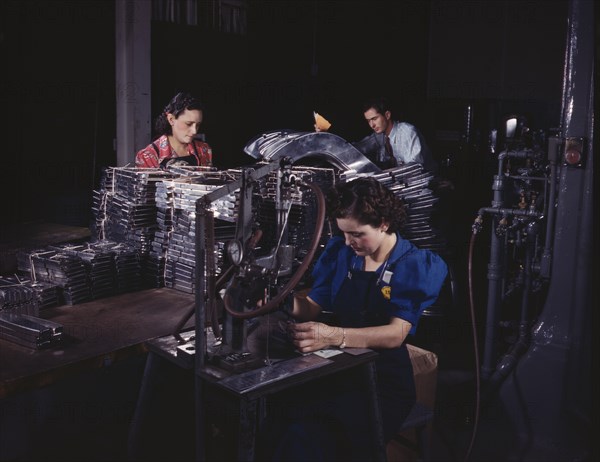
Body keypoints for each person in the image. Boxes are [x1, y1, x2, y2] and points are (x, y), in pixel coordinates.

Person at [257, 177, 448, 461]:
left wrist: (333, 335)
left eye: (357, 234)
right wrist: (279, 301)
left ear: (383, 223)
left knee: (319, 439)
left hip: (384, 382)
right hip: (339, 372)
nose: (349, 241)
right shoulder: (342, 253)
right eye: (344, 233)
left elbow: (396, 334)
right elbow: (311, 306)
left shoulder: (413, 264)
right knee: (279, 417)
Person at [316, 97, 438, 173]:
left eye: (374, 119)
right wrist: (326, 137)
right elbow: (355, 149)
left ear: (387, 115)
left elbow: (416, 168)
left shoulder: (407, 131)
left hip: (424, 186)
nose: (372, 125)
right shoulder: (379, 137)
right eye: (368, 121)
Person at [135, 92, 213, 168]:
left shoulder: (203, 150)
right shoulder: (148, 156)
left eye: (198, 125)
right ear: (171, 119)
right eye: (188, 124)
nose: (194, 131)